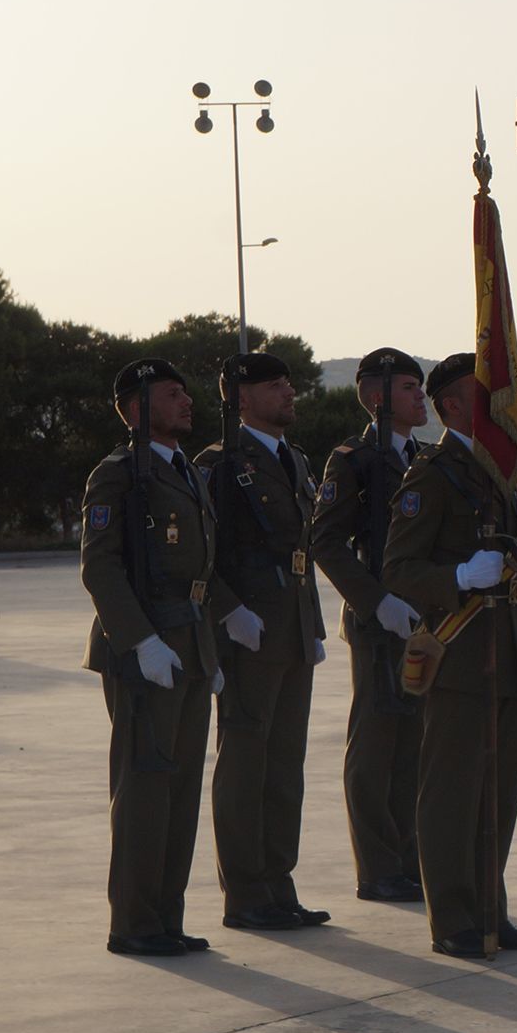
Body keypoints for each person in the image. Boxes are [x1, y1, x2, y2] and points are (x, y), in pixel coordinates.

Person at [382, 354, 517, 958]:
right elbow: (398, 568)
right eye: (483, 395)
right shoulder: (433, 474)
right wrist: (456, 574)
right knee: (451, 793)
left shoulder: (503, 471)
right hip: (458, 651)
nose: (499, 405)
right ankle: (452, 918)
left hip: (503, 655)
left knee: (498, 793)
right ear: (450, 405)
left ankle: (489, 911)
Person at [81, 359, 233, 957]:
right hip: (145, 647)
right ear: (136, 407)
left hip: (190, 644)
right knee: (144, 790)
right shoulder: (117, 474)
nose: (187, 403)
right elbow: (100, 566)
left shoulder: (188, 475)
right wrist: (139, 640)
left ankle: (166, 916)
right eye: (174, 395)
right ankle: (135, 922)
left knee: (179, 791)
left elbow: (203, 569)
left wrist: (210, 645)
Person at [196, 352, 329, 932]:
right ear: (241, 398)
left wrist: (313, 626)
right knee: (246, 762)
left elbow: (301, 555)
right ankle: (245, 892)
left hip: (291, 629)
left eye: (289, 383)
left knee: (285, 766)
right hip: (249, 631)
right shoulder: (222, 465)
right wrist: (229, 614)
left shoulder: (294, 460)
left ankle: (279, 882)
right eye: (275, 386)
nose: (289, 392)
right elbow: (204, 554)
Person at [308, 346, 430, 904]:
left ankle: (408, 858)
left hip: (425, 621)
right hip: (380, 622)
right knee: (376, 746)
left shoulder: (424, 459)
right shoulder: (353, 458)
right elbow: (326, 542)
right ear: (378, 397)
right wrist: (374, 602)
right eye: (409, 387)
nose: (419, 396)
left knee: (414, 747)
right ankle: (377, 866)